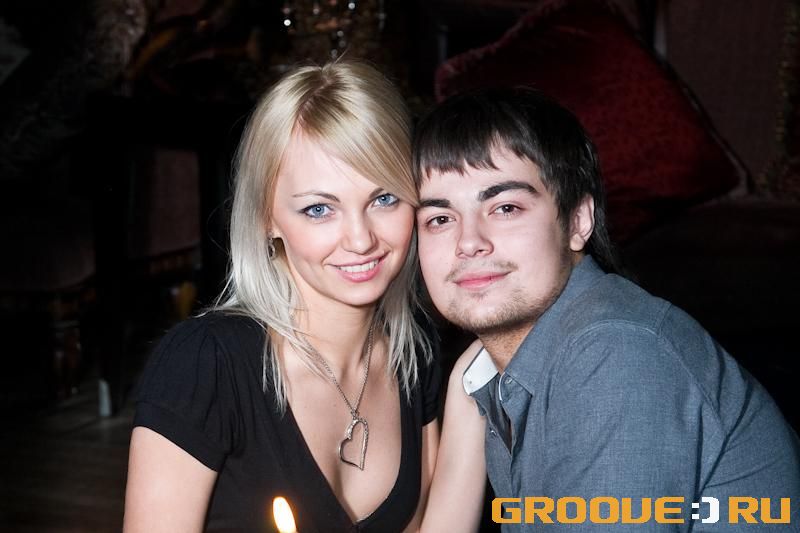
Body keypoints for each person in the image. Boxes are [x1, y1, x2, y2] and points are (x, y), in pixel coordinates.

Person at [413, 86, 800, 530]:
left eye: (505, 208)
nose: (468, 242)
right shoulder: (515, 369)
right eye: (439, 219)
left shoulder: (617, 353)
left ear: (579, 221)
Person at [124, 59, 459, 533]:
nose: (360, 239)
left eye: (384, 199)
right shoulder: (204, 365)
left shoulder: (414, 352)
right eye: (319, 209)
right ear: (267, 218)